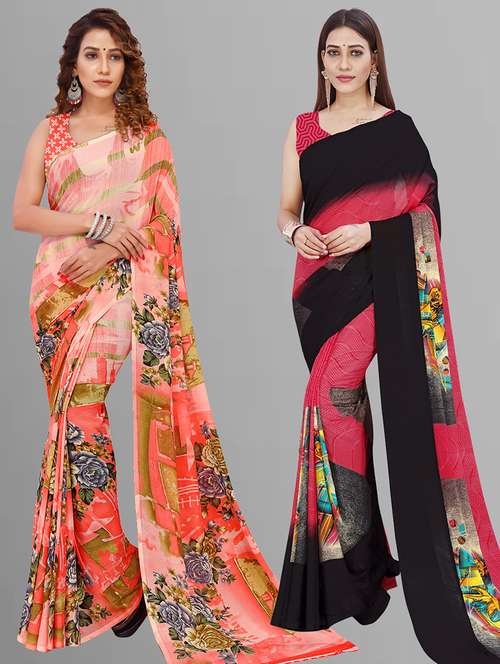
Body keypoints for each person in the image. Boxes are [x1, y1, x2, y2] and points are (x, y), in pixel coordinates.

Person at [12, 8, 358, 662]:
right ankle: (121, 582)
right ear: (74, 65)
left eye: (115, 56)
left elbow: (162, 227)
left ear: (127, 65)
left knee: (83, 421)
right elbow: (24, 212)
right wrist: (91, 226)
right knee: (72, 428)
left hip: (121, 290)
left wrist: (109, 248)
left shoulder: (147, 136)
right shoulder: (52, 131)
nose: (104, 67)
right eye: (92, 55)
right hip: (56, 294)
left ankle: (126, 581)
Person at [270, 8, 500, 664]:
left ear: (375, 61)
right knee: (336, 404)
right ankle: (362, 564)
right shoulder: (303, 129)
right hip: (319, 289)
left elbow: (426, 210)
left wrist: (373, 232)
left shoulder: (399, 129)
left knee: (331, 394)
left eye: (356, 52)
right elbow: (286, 207)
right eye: (333, 52)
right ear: (321, 61)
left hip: (380, 283)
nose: (343, 63)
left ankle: (349, 566)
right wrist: (295, 232)